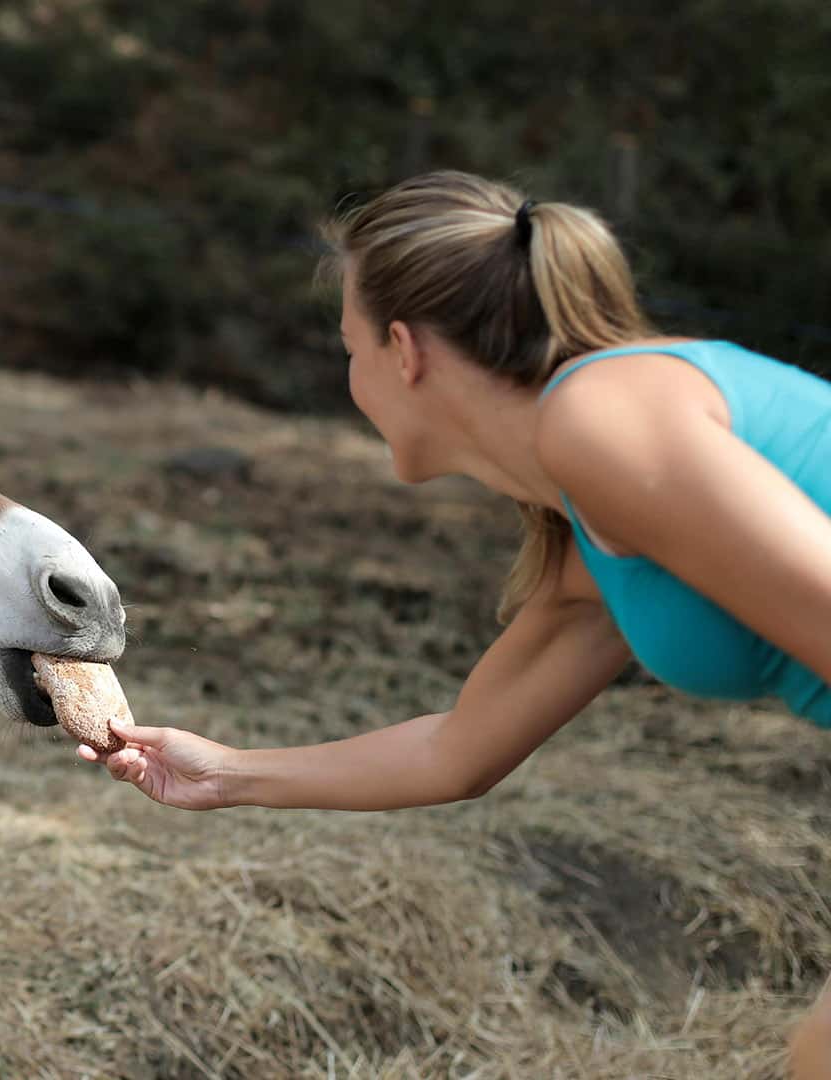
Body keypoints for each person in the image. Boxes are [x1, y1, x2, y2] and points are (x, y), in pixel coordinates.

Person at [76, 170, 831, 1076]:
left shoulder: (606, 421)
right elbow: (458, 752)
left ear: (404, 351)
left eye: (347, 347)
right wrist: (226, 774)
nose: (350, 377)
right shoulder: (586, 532)